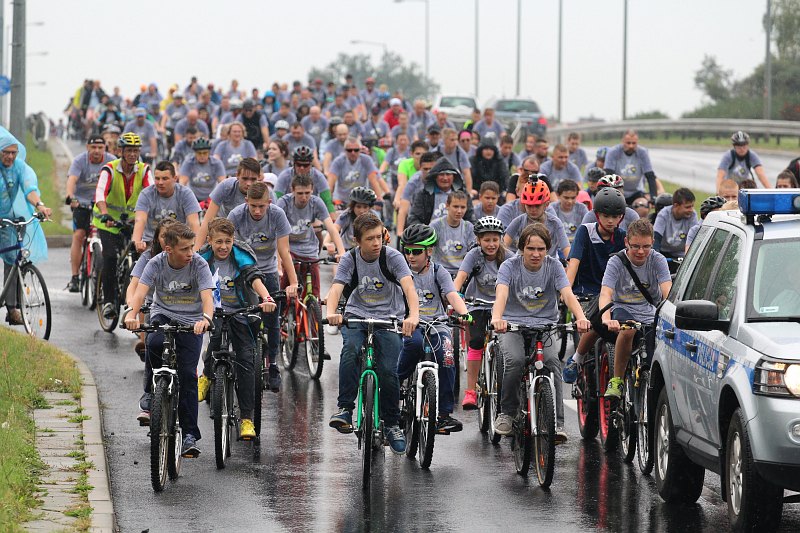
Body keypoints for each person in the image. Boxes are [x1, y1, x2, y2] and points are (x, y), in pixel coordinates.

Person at [326, 213, 419, 455]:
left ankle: (391, 424)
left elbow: (409, 286)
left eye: (379, 237)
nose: (377, 243)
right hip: (356, 315)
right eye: (370, 239)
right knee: (350, 352)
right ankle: (345, 409)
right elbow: (337, 288)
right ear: (357, 240)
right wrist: (332, 312)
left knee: (388, 371)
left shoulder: (393, 257)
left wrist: (412, 316)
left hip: (388, 317)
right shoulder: (350, 259)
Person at [491, 223, 591, 442]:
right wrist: (497, 318)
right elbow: (502, 295)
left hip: (544, 326)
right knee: (515, 361)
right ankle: (507, 413)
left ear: (547, 249)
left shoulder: (554, 267)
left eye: (541, 249)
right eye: (530, 249)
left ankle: (557, 423)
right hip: (512, 325)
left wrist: (581, 317)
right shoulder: (509, 266)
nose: (536, 254)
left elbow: (567, 294)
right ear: (521, 249)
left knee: (552, 363)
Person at [125, 223, 214, 458]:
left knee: (187, 375)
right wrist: (131, 314)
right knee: (152, 344)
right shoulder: (156, 263)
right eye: (184, 249)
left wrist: (205, 319)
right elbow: (141, 292)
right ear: (168, 249)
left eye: (191, 247)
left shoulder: (198, 264)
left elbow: (207, 298)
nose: (190, 253)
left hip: (192, 320)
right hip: (163, 314)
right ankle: (157, 389)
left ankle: (189, 435)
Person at [196, 218, 276, 440]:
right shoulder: (202, 258)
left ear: (233, 241)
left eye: (228, 242)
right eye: (218, 241)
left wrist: (266, 297)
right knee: (213, 342)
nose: (223, 246)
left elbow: (253, 277)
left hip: (241, 310)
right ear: (210, 240)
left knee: (245, 361)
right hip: (214, 311)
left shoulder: (240, 255)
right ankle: (206, 375)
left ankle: (247, 419)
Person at [397, 224, 471, 434]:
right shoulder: (400, 271)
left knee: (447, 357)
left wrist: (464, 313)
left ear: (429, 251)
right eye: (407, 251)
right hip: (409, 323)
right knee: (412, 345)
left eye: (417, 251)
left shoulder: (439, 271)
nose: (411, 256)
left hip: (437, 323)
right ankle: (396, 389)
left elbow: (451, 294)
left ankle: (443, 415)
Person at [227, 182, 298, 392]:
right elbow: (226, 248)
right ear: (246, 201)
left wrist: (293, 282)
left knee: (272, 318)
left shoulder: (277, 215)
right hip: (242, 271)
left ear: (269, 202)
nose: (257, 211)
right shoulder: (235, 215)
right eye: (253, 206)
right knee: (240, 316)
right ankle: (240, 355)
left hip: (267, 270)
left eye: (262, 206)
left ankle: (273, 363)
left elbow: (284, 251)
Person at [562, 188, 627, 384]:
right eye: (606, 216)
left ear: (621, 217)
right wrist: (566, 292)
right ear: (597, 215)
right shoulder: (585, 232)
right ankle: (577, 359)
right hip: (585, 294)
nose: (610, 221)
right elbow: (573, 264)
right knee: (596, 320)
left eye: (615, 217)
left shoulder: (623, 237)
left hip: (613, 295)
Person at [601, 219, 671, 399]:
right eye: (636, 246)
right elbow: (606, 293)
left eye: (646, 246)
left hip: (649, 312)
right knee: (629, 330)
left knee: (653, 358)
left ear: (652, 243)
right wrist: (607, 318)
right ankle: (616, 380)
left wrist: (673, 317)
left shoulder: (658, 260)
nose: (641, 251)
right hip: (623, 309)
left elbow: (667, 294)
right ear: (626, 242)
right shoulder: (616, 261)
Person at [94, 132, 152, 321]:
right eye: (129, 150)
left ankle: (139, 301)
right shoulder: (109, 169)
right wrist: (104, 214)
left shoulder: (144, 170)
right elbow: (100, 194)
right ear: (121, 151)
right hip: (109, 223)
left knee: (141, 258)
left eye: (135, 150)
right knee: (110, 257)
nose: (132, 154)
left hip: (134, 222)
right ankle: (109, 301)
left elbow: (152, 193)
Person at [454, 216, 505, 409]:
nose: (491, 244)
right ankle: (470, 391)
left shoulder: (507, 256)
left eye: (495, 239)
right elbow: (460, 279)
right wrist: (456, 298)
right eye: (486, 240)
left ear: (501, 239)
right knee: (475, 341)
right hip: (477, 304)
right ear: (478, 240)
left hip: (501, 306)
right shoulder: (474, 256)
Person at [0, 127, 50, 325]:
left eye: (14, 152)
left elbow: (30, 189)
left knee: (13, 260)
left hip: (7, 221)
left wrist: (40, 205)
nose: (10, 156)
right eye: (6, 152)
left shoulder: (19, 168)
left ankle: (12, 309)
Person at [276, 173, 346, 298]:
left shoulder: (316, 202)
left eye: (307, 193)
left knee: (314, 292)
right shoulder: (284, 203)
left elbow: (331, 228)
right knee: (285, 286)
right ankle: (283, 313)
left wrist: (341, 252)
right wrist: (278, 262)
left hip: (309, 249)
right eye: (300, 193)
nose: (304, 197)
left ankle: (313, 314)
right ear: (292, 190)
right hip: (288, 249)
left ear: (312, 190)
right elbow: (275, 233)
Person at [65, 135, 115, 292]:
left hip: (103, 204)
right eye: (93, 147)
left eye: (100, 147)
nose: (97, 151)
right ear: (87, 148)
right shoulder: (80, 161)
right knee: (79, 235)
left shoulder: (111, 160)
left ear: (105, 148)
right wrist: (70, 197)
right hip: (82, 203)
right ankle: (74, 277)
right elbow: (72, 180)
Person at [132, 161, 201, 253]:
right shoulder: (146, 194)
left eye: (165, 178)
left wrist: (195, 248)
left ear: (175, 178)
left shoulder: (186, 194)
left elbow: (194, 223)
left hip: (178, 244)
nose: (160, 182)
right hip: (151, 244)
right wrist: (136, 242)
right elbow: (140, 220)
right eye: (157, 178)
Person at [194, 158, 262, 247]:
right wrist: (196, 250)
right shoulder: (226, 186)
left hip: (250, 234)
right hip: (223, 232)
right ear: (237, 175)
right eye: (245, 178)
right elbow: (207, 221)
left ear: (259, 177)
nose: (248, 183)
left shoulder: (265, 193)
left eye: (253, 179)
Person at [504, 180, 570, 259]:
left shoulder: (555, 222)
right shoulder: (519, 221)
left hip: (549, 265)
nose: (533, 209)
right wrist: (512, 260)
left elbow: (566, 249)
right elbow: (503, 245)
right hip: (523, 264)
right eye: (529, 206)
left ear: (546, 204)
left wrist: (571, 265)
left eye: (537, 206)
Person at [408, 158, 474, 226]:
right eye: (441, 174)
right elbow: (413, 218)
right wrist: (424, 231)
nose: (445, 178)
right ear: (435, 176)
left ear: (454, 177)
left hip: (458, 234)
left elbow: (470, 219)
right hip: (430, 234)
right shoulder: (424, 194)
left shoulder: (463, 194)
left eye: (448, 174)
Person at [604, 129, 660, 204]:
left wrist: (653, 197)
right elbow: (608, 175)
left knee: (643, 207)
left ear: (637, 142)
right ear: (622, 141)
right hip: (617, 192)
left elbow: (650, 176)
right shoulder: (613, 152)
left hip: (636, 192)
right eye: (628, 143)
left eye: (634, 143)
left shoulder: (643, 153)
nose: (631, 146)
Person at [327, 137, 389, 204]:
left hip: (361, 200)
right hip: (342, 200)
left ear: (360, 150)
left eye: (356, 150)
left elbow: (374, 180)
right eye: (349, 150)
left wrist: (379, 198)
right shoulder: (338, 161)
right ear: (344, 150)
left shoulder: (366, 160)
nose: (353, 153)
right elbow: (330, 182)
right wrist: (328, 201)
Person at [430, 191, 475, 278]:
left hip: (461, 274)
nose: (459, 211)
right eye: (455, 206)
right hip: (439, 273)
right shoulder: (435, 226)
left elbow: (474, 253)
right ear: (447, 205)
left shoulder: (469, 227)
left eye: (463, 207)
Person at [326, 187, 379, 252]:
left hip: (367, 253)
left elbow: (382, 234)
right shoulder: (346, 215)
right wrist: (327, 243)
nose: (362, 211)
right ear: (353, 206)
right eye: (358, 207)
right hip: (346, 251)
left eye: (365, 207)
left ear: (370, 207)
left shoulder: (374, 217)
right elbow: (334, 230)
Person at [653, 187, 697, 259]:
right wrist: (656, 257)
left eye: (692, 206)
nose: (691, 210)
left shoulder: (692, 215)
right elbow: (656, 238)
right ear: (676, 205)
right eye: (687, 207)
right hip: (664, 254)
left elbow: (694, 239)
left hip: (682, 255)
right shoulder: (664, 214)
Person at [178, 138, 227, 203]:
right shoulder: (188, 162)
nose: (202, 155)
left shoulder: (217, 163)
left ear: (209, 152)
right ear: (194, 153)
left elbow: (222, 183)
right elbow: (182, 183)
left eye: (205, 153)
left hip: (212, 198)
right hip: (193, 198)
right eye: (199, 153)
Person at [551, 179, 588, 243]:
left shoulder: (582, 208)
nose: (570, 201)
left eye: (573, 198)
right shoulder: (552, 208)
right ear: (558, 195)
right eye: (566, 198)